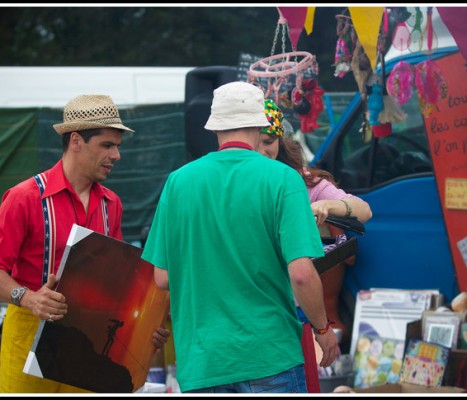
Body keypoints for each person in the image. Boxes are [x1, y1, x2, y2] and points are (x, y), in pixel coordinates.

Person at [141, 81, 339, 394]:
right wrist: (323, 329)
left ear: (214, 127)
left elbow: (162, 277)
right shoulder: (283, 178)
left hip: (203, 362)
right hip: (269, 355)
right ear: (261, 123)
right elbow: (301, 274)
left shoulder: (178, 182)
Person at [0, 94, 169, 393]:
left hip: (87, 339)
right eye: (107, 145)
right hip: (28, 330)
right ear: (76, 141)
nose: (116, 155)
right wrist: (28, 298)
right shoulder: (24, 197)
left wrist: (144, 332)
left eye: (117, 146)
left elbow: (117, 288)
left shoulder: (111, 203)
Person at [257, 98, 372, 393]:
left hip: (296, 316)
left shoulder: (305, 183)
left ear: (281, 141)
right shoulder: (237, 187)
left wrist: (327, 204)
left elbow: (363, 210)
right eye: (254, 143)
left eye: (268, 141)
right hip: (257, 317)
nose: (261, 152)